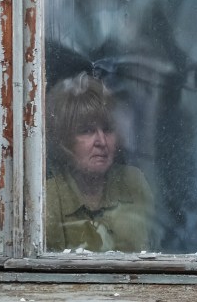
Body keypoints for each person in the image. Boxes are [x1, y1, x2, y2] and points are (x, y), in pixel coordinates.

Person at [45, 72, 154, 252]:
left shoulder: (134, 182)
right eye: (87, 131)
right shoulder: (49, 197)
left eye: (108, 129)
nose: (101, 141)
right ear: (64, 141)